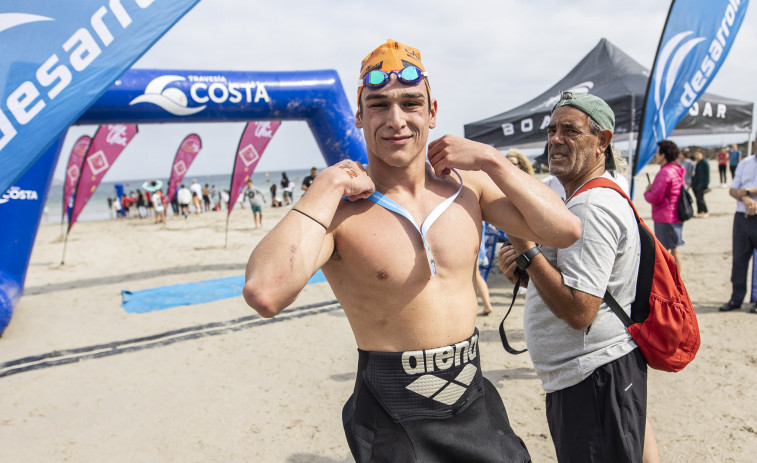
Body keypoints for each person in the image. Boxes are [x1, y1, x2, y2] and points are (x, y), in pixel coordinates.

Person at [243, 39, 581, 463]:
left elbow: (565, 229)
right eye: (379, 105)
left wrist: (493, 160)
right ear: (359, 117)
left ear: (432, 111)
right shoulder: (340, 211)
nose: (396, 119)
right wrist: (325, 186)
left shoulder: (468, 188)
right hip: (391, 417)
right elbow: (265, 292)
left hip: (475, 403)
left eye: (410, 103)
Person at [497, 92, 655, 462]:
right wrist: (528, 273)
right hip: (592, 375)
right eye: (551, 130)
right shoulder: (581, 198)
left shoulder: (590, 206)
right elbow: (585, 285)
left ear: (602, 141)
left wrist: (527, 248)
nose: (555, 139)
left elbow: (580, 310)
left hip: (594, 378)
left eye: (570, 130)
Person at [718, 150, 757, 313]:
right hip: (742, 218)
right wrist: (745, 198)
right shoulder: (745, 163)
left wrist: (748, 191)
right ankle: (736, 298)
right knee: (739, 260)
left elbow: (741, 189)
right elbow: (733, 190)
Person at [644, 140, 685, 270]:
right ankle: (677, 279)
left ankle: (675, 281)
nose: (656, 156)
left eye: (657, 153)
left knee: (665, 252)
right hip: (676, 214)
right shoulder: (677, 169)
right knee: (674, 248)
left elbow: (655, 197)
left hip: (665, 216)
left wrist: (647, 191)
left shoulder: (665, 172)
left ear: (663, 155)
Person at [691, 150, 710, 218]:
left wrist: (706, 184)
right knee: (697, 198)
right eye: (695, 155)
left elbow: (707, 174)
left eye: (698, 155)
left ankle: (705, 211)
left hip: (702, 184)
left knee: (700, 198)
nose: (697, 156)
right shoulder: (696, 163)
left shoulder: (704, 163)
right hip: (695, 183)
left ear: (701, 155)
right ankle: (699, 211)